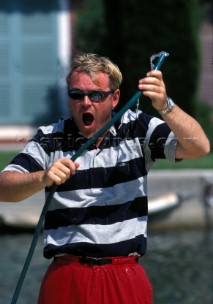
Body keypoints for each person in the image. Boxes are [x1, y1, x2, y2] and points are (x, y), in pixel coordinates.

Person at [0, 53, 210, 304]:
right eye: (77, 95)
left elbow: (199, 148)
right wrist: (42, 178)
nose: (85, 102)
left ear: (115, 98)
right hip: (67, 276)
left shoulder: (138, 129)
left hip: (124, 274)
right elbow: (4, 188)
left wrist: (165, 105)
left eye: (96, 95)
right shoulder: (50, 137)